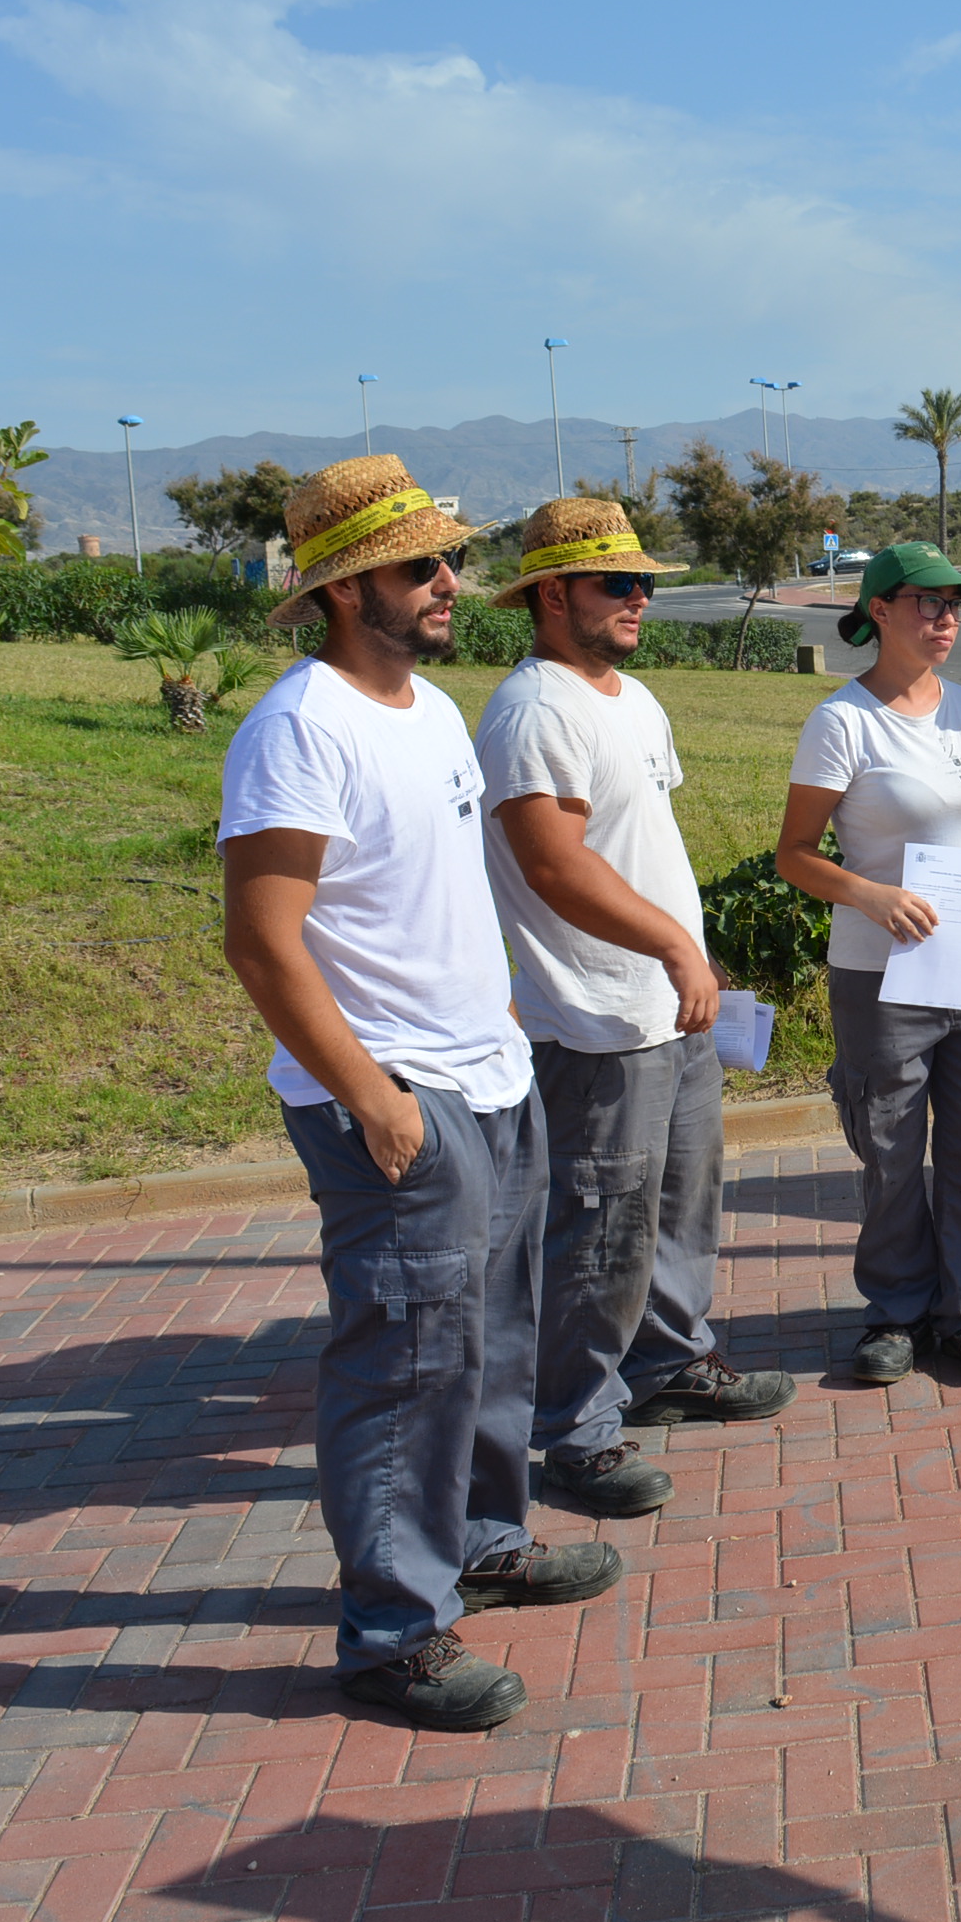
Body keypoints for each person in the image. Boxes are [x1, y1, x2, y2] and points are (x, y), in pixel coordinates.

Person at [220, 456, 618, 1732]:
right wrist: (373, 1096)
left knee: (495, 1336)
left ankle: (485, 1539)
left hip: (488, 1071)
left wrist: (495, 1017)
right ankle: (394, 1628)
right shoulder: (300, 727)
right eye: (420, 567)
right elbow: (262, 940)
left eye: (446, 559)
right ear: (346, 592)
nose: (451, 581)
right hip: (398, 1093)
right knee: (405, 1362)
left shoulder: (434, 712)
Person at [475, 497, 797, 1523]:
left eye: (644, 582)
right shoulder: (535, 710)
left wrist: (688, 955)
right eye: (618, 582)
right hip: (596, 1017)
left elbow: (636, 839)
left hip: (669, 1004)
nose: (640, 598)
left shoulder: (632, 698)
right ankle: (574, 1427)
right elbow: (552, 861)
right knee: (601, 1230)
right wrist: (666, 942)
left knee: (677, 1205)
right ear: (551, 593)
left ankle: (665, 1362)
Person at [778, 542, 961, 1388]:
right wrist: (868, 895)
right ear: (879, 610)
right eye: (927, 603)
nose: (946, 618)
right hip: (882, 973)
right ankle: (893, 1313)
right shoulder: (842, 722)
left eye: (957, 604)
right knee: (891, 1152)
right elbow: (794, 855)